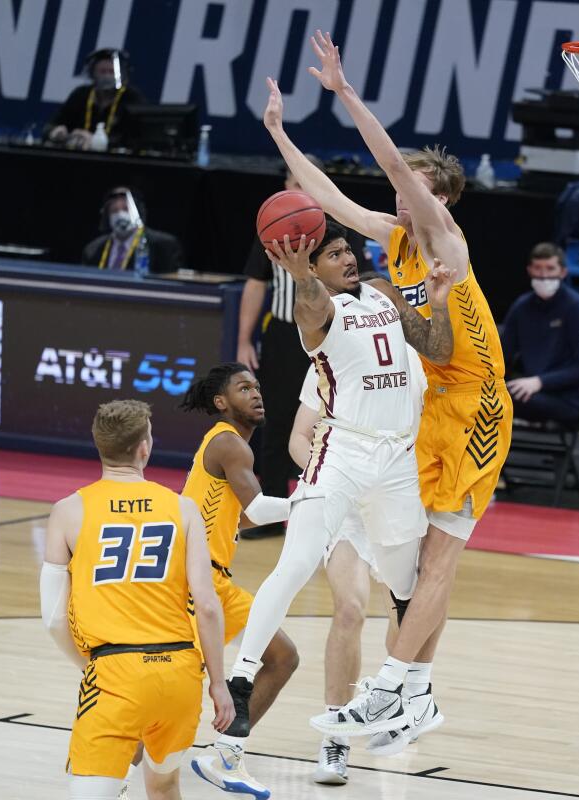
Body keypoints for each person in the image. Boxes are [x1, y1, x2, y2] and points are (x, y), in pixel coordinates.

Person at [277, 31, 512, 746]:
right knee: (408, 567)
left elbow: (387, 162)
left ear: (437, 197)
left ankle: (388, 691)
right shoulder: (393, 236)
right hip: (431, 405)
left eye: (414, 184)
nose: (399, 190)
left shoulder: (444, 238)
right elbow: (323, 197)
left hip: (477, 405)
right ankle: (416, 695)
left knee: (440, 557)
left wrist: (346, 94)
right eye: (402, 186)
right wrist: (280, 136)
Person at [192, 220, 454, 792]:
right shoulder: (317, 314)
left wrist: (437, 304)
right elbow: (309, 299)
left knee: (411, 586)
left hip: (398, 462)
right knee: (300, 564)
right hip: (343, 452)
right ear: (316, 267)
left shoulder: (383, 293)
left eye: (348, 250)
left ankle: (413, 693)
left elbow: (436, 346)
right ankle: (240, 683)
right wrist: (299, 269)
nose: (348, 258)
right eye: (334, 253)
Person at [39, 399, 233, 800]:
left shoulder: (67, 511)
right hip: (179, 674)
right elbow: (209, 607)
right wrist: (218, 684)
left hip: (115, 672)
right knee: (163, 787)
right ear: (144, 447)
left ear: (99, 446)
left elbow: (54, 618)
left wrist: (91, 665)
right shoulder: (183, 509)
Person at [287, 349, 427, 781]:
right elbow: (298, 439)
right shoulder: (331, 360)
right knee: (350, 608)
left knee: (404, 604)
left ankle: (396, 705)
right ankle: (335, 736)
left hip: (397, 493)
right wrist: (333, 476)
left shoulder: (415, 363)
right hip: (346, 497)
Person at [178, 363, 302, 799]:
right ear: (220, 402)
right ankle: (111, 776)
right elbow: (265, 509)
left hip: (218, 583)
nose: (256, 394)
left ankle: (226, 754)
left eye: (257, 387)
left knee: (282, 656)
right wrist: (316, 499)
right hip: (190, 584)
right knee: (171, 699)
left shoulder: (230, 447)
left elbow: (242, 518)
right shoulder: (231, 445)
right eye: (243, 387)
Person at [237, 166, 375, 539]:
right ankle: (271, 511)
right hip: (285, 334)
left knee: (332, 421)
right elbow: (254, 283)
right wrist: (244, 340)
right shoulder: (271, 228)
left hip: (333, 333)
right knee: (276, 421)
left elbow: (359, 283)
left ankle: (335, 509)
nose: (299, 189)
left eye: (306, 183)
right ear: (285, 187)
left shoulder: (334, 230)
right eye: (294, 182)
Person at [501, 242, 579, 426]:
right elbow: (503, 354)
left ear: (563, 272)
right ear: (529, 270)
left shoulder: (577, 308)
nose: (544, 276)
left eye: (550, 268)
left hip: (566, 399)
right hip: (529, 390)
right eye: (538, 268)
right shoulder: (521, 307)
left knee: (495, 402)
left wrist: (539, 382)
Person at [46, 49, 146, 150]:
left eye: (112, 72)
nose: (107, 76)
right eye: (102, 72)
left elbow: (138, 138)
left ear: (122, 74)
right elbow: (52, 125)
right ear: (92, 74)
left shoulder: (132, 98)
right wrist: (55, 132)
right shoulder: (81, 94)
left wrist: (95, 140)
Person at [81, 186, 185, 273]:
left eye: (126, 209)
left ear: (138, 211)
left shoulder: (164, 245)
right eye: (114, 211)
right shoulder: (93, 249)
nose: (120, 215)